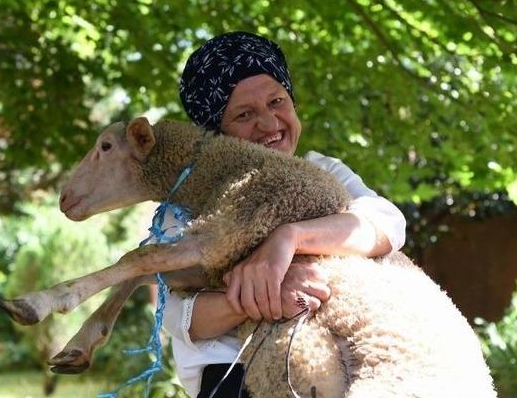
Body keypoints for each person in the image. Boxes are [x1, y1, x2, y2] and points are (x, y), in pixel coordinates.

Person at [159, 31, 406, 398]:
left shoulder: (323, 171)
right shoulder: (187, 205)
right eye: (245, 114)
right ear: (217, 135)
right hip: (234, 380)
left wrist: (288, 238)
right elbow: (175, 315)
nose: (270, 124)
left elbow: (387, 222)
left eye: (277, 101)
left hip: (336, 373)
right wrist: (264, 291)